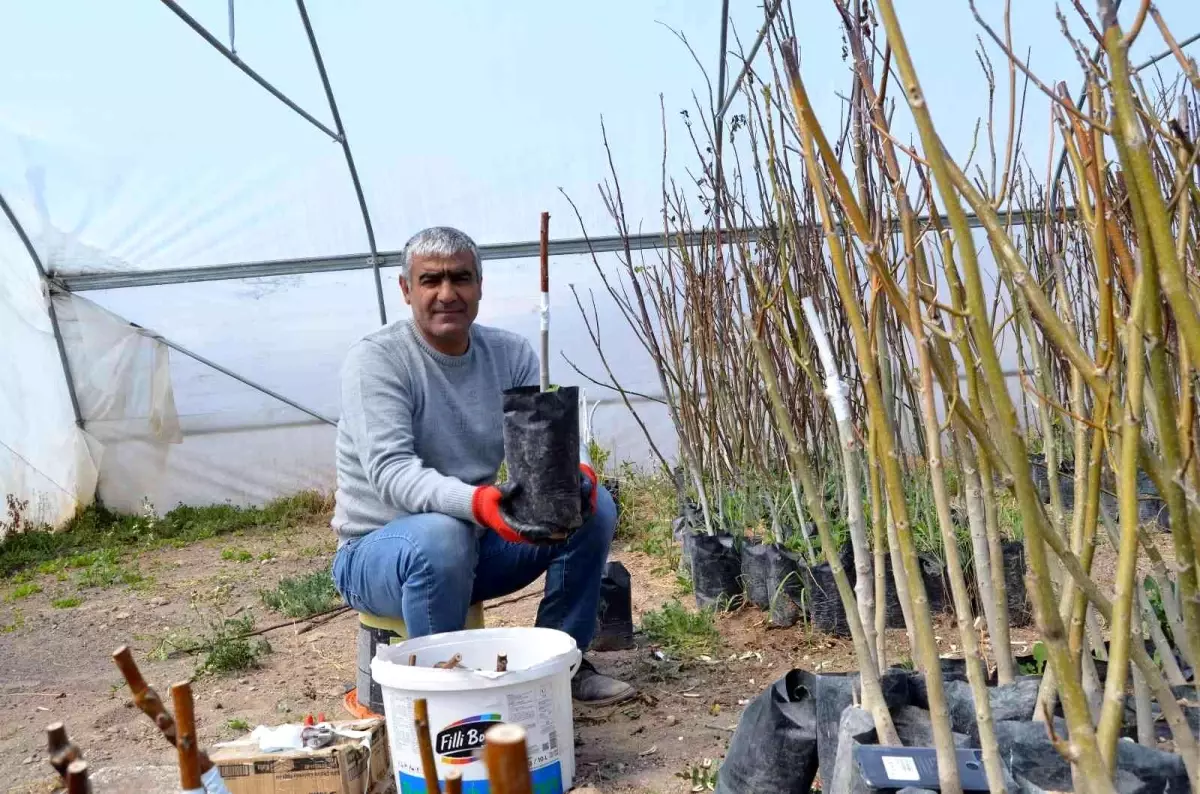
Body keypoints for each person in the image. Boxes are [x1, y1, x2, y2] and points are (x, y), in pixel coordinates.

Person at [331, 225, 635, 706]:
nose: (447, 293)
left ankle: (564, 663)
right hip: (378, 556)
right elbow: (390, 472)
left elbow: (547, 437)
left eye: (461, 278)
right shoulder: (378, 360)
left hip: (472, 546)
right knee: (441, 536)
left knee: (592, 511)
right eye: (431, 280)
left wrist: (578, 476)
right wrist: (478, 504)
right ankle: (443, 695)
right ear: (406, 289)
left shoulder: (509, 354)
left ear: (479, 286)